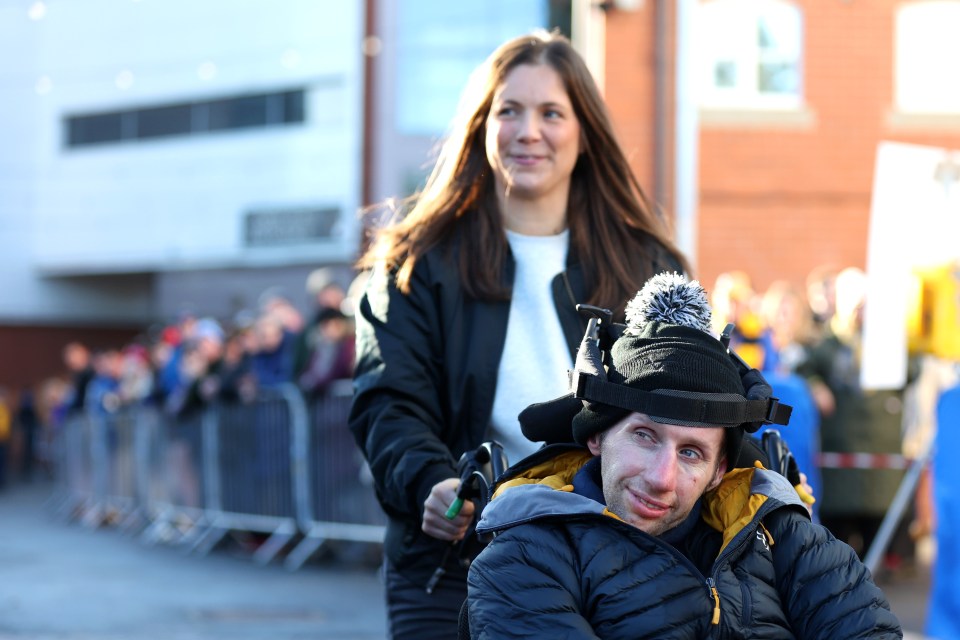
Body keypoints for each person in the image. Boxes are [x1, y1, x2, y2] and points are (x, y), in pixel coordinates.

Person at [349, 30, 688, 639]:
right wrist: (431, 483)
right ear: (483, 126)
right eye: (509, 111)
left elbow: (685, 402)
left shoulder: (644, 263)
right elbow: (387, 402)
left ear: (583, 132)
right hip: (454, 562)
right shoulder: (414, 263)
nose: (528, 131)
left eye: (551, 112)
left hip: (613, 557)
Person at [464, 273, 902, 639]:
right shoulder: (524, 557)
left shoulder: (780, 536)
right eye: (644, 436)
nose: (661, 477)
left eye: (691, 453)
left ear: (720, 471)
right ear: (596, 436)